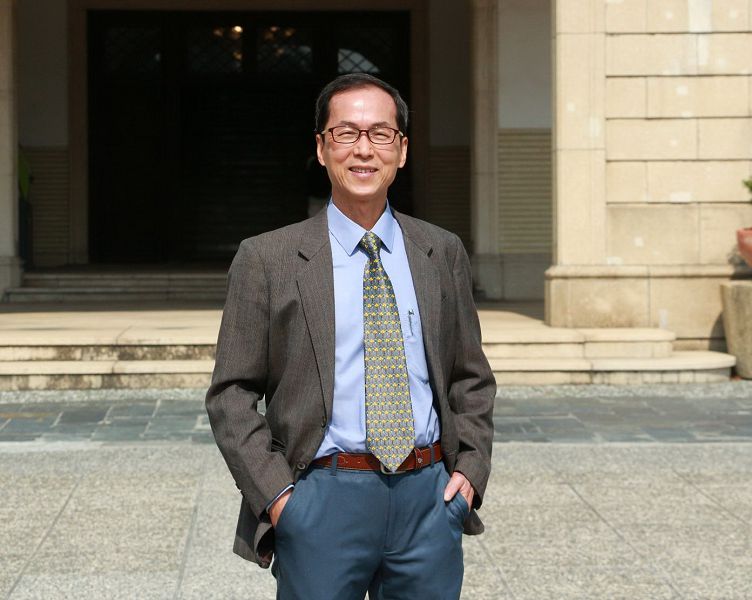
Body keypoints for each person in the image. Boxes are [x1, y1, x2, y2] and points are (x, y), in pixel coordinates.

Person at [205, 73, 495, 600]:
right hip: (321, 498)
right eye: (346, 133)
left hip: (428, 499)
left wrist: (469, 473)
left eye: (381, 134)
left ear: (401, 151)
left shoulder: (441, 252)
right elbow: (231, 394)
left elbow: (469, 376)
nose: (364, 149)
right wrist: (279, 498)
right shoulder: (267, 258)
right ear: (321, 148)